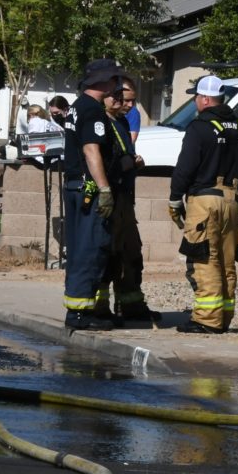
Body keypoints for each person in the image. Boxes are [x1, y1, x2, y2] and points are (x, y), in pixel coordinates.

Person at [168, 74, 238, 334]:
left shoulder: (199, 127)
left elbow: (185, 166)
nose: (195, 101)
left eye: (196, 96)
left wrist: (175, 198)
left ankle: (206, 320)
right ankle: (223, 318)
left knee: (204, 259)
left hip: (205, 201)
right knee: (226, 263)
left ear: (205, 99)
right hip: (232, 201)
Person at [62, 58, 124, 331]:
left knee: (79, 248)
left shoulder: (77, 106)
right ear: (103, 81)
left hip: (75, 187)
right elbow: (91, 150)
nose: (117, 84)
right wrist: (105, 188)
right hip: (89, 189)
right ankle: (79, 313)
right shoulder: (93, 110)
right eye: (114, 79)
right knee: (91, 248)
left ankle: (79, 309)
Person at [95, 82, 160, 324]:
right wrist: (128, 163)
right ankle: (99, 308)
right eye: (126, 100)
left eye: (133, 100)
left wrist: (133, 162)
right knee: (107, 254)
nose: (131, 106)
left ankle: (131, 305)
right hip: (109, 198)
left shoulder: (121, 122)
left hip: (125, 198)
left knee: (131, 253)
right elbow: (104, 160)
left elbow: (124, 155)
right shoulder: (100, 123)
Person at [122, 76, 141, 145]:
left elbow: (131, 140)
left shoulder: (133, 112)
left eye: (133, 101)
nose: (130, 105)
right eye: (127, 100)